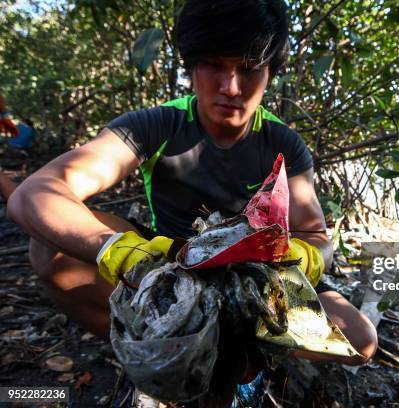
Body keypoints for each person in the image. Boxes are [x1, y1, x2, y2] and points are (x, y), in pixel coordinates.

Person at [7, 0, 377, 369]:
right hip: (166, 266)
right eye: (214, 65)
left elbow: (315, 234)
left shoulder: (283, 144)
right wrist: (122, 252)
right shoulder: (155, 125)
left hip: (260, 280)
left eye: (248, 69)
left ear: (270, 73)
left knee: (358, 339)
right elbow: (36, 193)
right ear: (191, 66)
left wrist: (307, 258)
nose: (231, 87)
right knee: (49, 251)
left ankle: (230, 353)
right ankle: (153, 357)